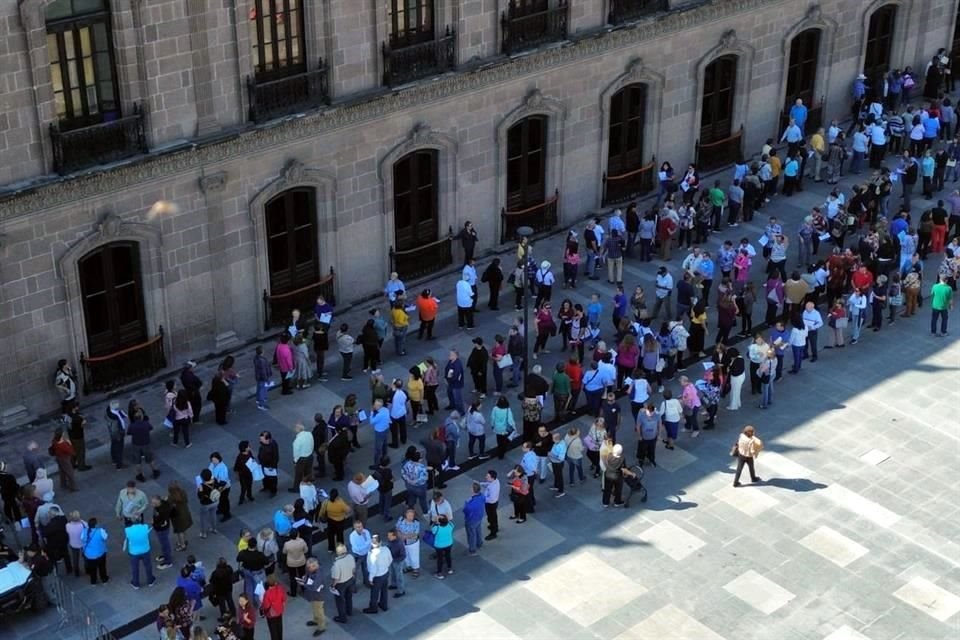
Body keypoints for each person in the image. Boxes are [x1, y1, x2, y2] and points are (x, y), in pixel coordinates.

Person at [363, 534, 392, 614]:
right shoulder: (386, 549)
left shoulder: (372, 555)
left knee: (374, 593)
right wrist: (385, 567)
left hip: (377, 577)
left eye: (374, 543)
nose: (373, 544)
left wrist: (370, 579)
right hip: (385, 573)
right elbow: (390, 560)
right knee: (384, 590)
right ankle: (384, 605)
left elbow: (373, 569)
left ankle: (373, 608)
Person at [330, 544, 356, 624]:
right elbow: (354, 570)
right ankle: (349, 611)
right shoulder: (351, 557)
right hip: (350, 580)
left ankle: (342, 617)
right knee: (349, 597)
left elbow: (336, 578)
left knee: (340, 601)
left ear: (337, 553)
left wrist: (333, 585)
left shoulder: (337, 564)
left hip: (341, 585)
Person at [81, 517, 109, 585]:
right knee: (102, 567)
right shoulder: (100, 531)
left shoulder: (84, 531)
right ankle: (104, 579)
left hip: (89, 555)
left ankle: (93, 581)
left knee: (92, 569)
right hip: (100, 553)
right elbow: (106, 537)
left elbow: (82, 539)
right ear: (96, 524)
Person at [49, 428, 77, 492]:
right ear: (61, 435)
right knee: (70, 473)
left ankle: (63, 484)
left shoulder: (54, 441)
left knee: (62, 471)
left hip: (59, 458)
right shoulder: (63, 445)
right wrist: (69, 443)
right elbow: (71, 452)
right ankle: (73, 487)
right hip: (65, 459)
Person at [260, 574, 287, 640]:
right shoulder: (280, 588)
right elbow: (284, 598)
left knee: (273, 630)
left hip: (271, 614)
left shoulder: (267, 593)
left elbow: (266, 605)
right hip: (279, 611)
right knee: (279, 626)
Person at [462, 482, 485, 555]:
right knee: (478, 530)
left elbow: (465, 511)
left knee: (471, 534)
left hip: (471, 520)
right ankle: (479, 543)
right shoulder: (482, 496)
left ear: (473, 490)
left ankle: (472, 549)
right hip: (479, 516)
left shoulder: (469, 503)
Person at [349, 520, 373, 588]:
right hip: (357, 555)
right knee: (354, 571)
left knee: (366, 569)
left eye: (361, 526)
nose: (360, 528)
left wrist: (366, 540)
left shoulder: (366, 532)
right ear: (354, 528)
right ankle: (353, 586)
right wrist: (366, 544)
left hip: (366, 554)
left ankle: (366, 582)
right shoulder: (352, 536)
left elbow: (370, 542)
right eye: (358, 527)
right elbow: (357, 548)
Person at [431, 514, 455, 579]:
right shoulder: (450, 525)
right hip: (449, 543)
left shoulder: (437, 528)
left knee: (440, 558)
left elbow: (433, 531)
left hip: (439, 546)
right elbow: (452, 525)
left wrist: (435, 523)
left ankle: (439, 573)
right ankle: (449, 569)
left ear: (439, 522)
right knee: (448, 556)